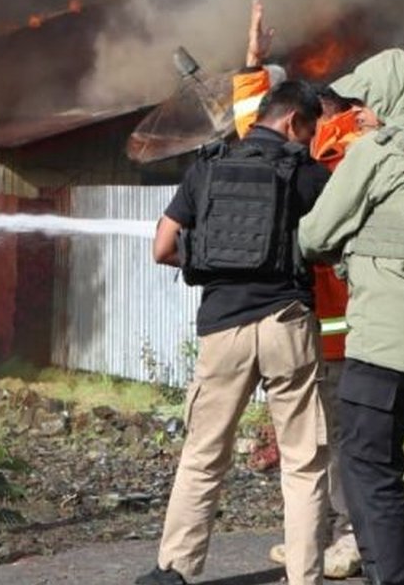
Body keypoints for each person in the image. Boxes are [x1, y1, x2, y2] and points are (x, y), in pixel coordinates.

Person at [137, 79, 332, 585]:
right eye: (309, 131)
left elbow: (162, 247)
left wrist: (206, 259)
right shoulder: (309, 174)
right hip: (288, 326)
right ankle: (305, 577)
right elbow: (333, 245)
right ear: (293, 121)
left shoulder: (207, 166)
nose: (309, 141)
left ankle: (175, 571)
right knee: (304, 462)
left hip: (223, 329)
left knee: (203, 455)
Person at [297, 49, 404, 585]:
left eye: (363, 102)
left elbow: (314, 235)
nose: (358, 113)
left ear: (386, 100)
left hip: (386, 340)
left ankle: (393, 576)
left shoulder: (377, 151)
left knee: (365, 466)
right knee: (381, 459)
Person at [232, 0, 373, 579]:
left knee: (339, 443)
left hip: (340, 333)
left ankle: (351, 540)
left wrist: (254, 67)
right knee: (311, 442)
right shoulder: (313, 150)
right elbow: (256, 133)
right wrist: (252, 64)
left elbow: (257, 134)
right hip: (302, 328)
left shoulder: (353, 153)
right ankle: (312, 539)